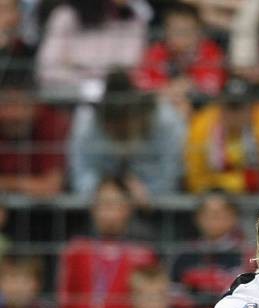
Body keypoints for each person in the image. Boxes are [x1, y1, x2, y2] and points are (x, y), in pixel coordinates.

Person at [57, 176, 157, 308]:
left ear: (128, 209)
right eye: (103, 204)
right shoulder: (76, 251)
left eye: (115, 204)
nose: (109, 212)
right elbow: (64, 300)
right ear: (93, 209)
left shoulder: (142, 256)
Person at [68, 68, 186, 201]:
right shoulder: (89, 126)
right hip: (106, 202)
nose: (120, 127)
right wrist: (106, 190)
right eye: (114, 122)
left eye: (125, 120)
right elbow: (81, 174)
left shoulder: (166, 122)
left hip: (159, 201)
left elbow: (174, 173)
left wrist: (149, 195)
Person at [185, 77, 259, 194]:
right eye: (229, 106)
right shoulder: (203, 125)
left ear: (252, 108)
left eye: (240, 107)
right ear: (220, 107)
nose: (234, 114)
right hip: (216, 196)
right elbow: (195, 177)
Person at [172, 190, 250, 308]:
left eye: (220, 213)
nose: (213, 218)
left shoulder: (246, 254)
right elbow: (172, 296)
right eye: (207, 213)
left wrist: (200, 285)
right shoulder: (184, 254)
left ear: (233, 217)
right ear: (197, 218)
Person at [36, 0, 151, 101]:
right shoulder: (65, 15)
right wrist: (89, 83)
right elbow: (47, 70)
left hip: (116, 100)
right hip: (68, 99)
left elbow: (129, 68)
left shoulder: (133, 19)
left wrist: (76, 65)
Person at [133, 1, 226, 114]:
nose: (180, 37)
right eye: (175, 30)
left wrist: (187, 85)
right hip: (164, 105)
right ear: (166, 31)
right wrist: (170, 90)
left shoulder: (211, 51)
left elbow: (212, 86)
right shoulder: (156, 51)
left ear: (198, 31)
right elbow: (143, 84)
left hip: (202, 110)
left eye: (186, 31)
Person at [0, 66, 69, 197]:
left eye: (18, 104)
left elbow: (50, 187)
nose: (12, 114)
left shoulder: (51, 122)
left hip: (42, 207)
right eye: (5, 105)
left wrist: (6, 183)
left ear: (35, 106)